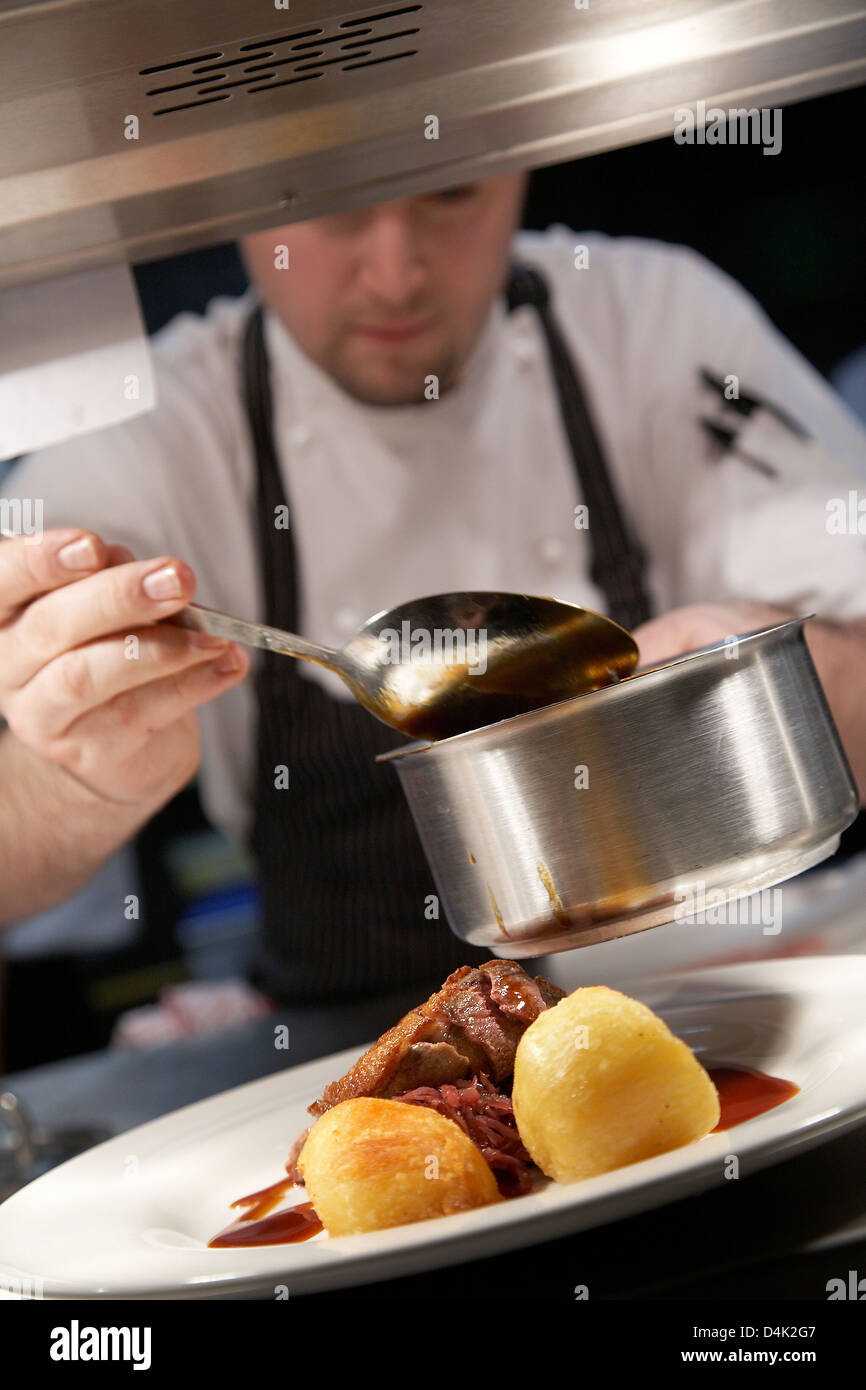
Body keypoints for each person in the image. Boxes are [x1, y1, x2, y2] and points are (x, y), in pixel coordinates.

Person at [1, 169, 865, 1011]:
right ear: (235, 202)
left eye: (450, 194)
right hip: (355, 1071)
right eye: (328, 204)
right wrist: (80, 786)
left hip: (704, 1004)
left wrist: (776, 680)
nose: (395, 274)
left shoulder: (657, 318)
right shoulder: (151, 432)